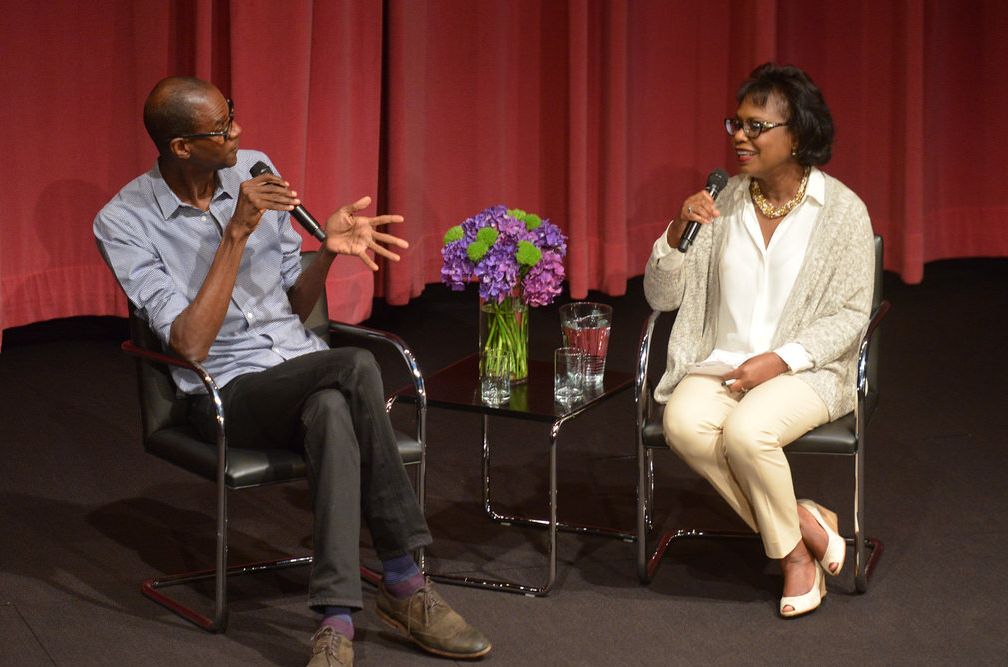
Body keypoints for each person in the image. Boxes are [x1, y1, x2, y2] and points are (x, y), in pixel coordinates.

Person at [94, 76, 491, 666]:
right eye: (222, 128)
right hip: (224, 392)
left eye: (233, 115)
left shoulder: (253, 167)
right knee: (355, 366)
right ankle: (405, 580)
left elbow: (294, 306)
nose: (239, 134)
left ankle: (336, 621)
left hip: (302, 372)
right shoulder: (124, 221)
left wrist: (325, 251)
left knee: (333, 408)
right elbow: (191, 345)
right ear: (181, 146)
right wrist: (236, 232)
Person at [643, 63, 874, 618]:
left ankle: (794, 563)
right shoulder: (722, 204)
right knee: (682, 424)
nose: (739, 137)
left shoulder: (842, 212)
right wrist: (676, 235)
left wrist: (780, 359)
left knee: (748, 433)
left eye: (755, 126)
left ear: (797, 134)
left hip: (807, 370)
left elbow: (851, 314)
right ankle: (802, 534)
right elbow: (660, 297)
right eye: (736, 124)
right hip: (720, 361)